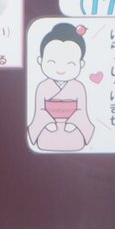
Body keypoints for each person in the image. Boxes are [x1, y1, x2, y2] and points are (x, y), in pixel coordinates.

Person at [28, 22, 95, 151]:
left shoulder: (78, 87)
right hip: (48, 128)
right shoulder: (42, 87)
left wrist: (72, 123)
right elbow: (39, 112)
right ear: (40, 61)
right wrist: (49, 123)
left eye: (70, 63)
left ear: (81, 64)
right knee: (45, 141)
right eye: (52, 62)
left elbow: (81, 112)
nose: (60, 69)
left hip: (73, 129)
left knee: (75, 141)